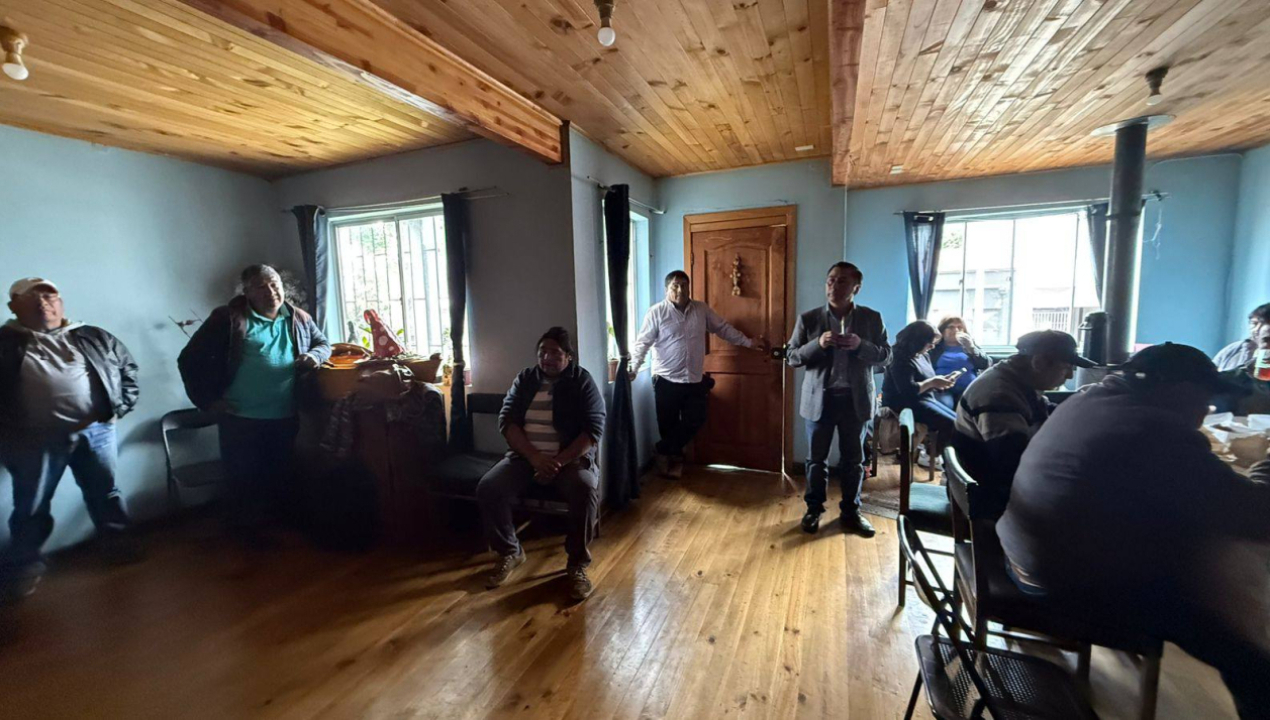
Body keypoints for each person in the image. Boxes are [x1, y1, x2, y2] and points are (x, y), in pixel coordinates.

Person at [998, 343, 1270, 719]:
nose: (1204, 410)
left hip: (1024, 553)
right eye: (1204, 399)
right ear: (1179, 390)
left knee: (1217, 569)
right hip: (1059, 580)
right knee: (1242, 640)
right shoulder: (1154, 430)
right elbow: (1255, 515)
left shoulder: (1087, 400)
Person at [0, 277, 140, 600]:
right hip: (34, 441)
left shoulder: (93, 336)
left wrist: (120, 407)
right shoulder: (5, 343)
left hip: (96, 431)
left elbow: (127, 370)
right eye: (31, 298)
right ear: (13, 307)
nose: (42, 303)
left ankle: (119, 547)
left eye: (49, 296)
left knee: (105, 492)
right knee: (31, 506)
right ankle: (22, 569)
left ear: (61, 302)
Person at [177, 265, 330, 546]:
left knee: (281, 474)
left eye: (274, 284)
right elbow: (189, 359)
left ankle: (280, 527)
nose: (271, 291)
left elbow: (322, 343)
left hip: (284, 415)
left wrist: (314, 356)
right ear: (246, 292)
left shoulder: (298, 317)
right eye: (261, 286)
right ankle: (246, 537)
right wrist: (208, 401)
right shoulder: (228, 319)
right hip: (240, 417)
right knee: (244, 480)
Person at [477, 327, 606, 601]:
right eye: (542, 352)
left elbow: (593, 429)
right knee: (489, 487)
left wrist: (558, 462)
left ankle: (577, 565)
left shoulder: (582, 381)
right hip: (525, 458)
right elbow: (506, 421)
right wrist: (535, 458)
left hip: (569, 461)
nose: (547, 358)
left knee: (585, 490)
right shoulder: (525, 379)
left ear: (568, 356)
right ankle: (510, 551)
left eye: (555, 353)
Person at [787, 262, 891, 536]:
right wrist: (817, 344)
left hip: (855, 401)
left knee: (853, 461)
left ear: (856, 287)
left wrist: (861, 345)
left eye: (842, 281)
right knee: (815, 460)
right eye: (830, 280)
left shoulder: (872, 318)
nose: (834, 286)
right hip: (819, 401)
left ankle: (851, 512)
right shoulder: (808, 319)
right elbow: (792, 357)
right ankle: (813, 509)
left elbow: (886, 356)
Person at [630, 270, 766, 478]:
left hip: (693, 379)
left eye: (684, 285)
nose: (680, 290)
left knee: (697, 418)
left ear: (689, 287)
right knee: (668, 425)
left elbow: (723, 328)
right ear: (667, 290)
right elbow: (643, 343)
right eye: (675, 286)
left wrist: (748, 342)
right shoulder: (656, 312)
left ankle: (661, 450)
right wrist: (633, 367)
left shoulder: (701, 310)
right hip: (666, 379)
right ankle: (672, 464)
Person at [952, 330, 1093, 518]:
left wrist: (1082, 405)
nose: (1069, 376)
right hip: (991, 497)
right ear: (1039, 363)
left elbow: (1044, 413)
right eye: (1067, 367)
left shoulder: (1014, 381)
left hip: (991, 484)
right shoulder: (999, 395)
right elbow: (1012, 464)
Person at [881, 321, 958, 464]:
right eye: (930, 343)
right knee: (951, 423)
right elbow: (907, 391)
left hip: (924, 398)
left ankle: (932, 453)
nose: (932, 347)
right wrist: (933, 382)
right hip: (903, 402)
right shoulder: (898, 358)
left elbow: (926, 380)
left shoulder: (922, 355)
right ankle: (929, 456)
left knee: (958, 420)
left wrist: (941, 382)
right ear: (917, 342)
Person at [929, 316, 991, 407]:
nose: (956, 330)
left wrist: (971, 348)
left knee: (972, 405)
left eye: (960, 327)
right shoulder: (934, 347)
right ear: (942, 331)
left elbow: (985, 364)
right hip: (943, 389)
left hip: (969, 388)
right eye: (951, 327)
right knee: (944, 405)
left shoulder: (970, 345)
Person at [1213, 302, 1269, 371]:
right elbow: (1210, 373)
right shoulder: (1232, 350)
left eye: (1263, 324)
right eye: (1254, 323)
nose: (1257, 329)